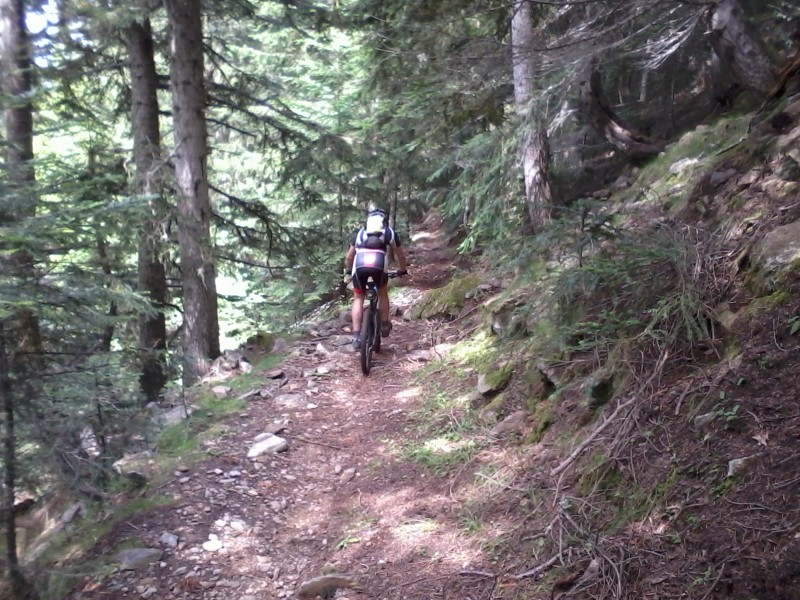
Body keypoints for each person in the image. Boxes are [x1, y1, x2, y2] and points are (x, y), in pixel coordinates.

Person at [344, 207, 408, 350]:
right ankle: (384, 324)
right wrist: (402, 269)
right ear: (383, 220)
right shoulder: (389, 232)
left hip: (359, 265)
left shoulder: (360, 233)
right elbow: (400, 255)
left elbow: (349, 256)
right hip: (379, 265)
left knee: (358, 298)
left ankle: (356, 336)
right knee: (382, 293)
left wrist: (349, 270)